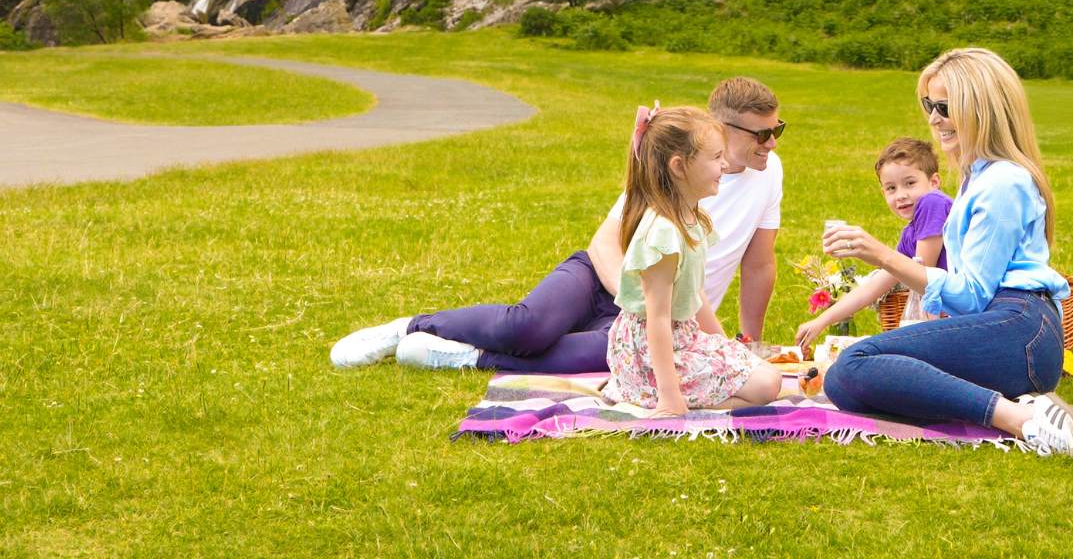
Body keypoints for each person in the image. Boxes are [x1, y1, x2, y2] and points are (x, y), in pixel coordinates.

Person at [329, 76, 784, 373]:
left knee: (607, 356)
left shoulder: (771, 175)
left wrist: (749, 343)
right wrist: (634, 298)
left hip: (659, 310)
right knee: (527, 328)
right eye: (761, 134)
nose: (771, 143)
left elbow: (759, 264)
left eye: (777, 130)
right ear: (720, 130)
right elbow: (606, 243)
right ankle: (408, 327)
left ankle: (469, 357)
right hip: (603, 279)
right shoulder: (675, 172)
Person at [821, 48, 1073, 461]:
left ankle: (1025, 419)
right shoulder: (977, 177)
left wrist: (882, 255)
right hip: (1013, 331)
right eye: (929, 105)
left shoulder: (1003, 181)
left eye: (946, 106)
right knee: (844, 379)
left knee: (856, 362)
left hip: (1020, 328)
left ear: (981, 107)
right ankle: (1018, 408)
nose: (934, 118)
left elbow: (972, 295)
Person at [603, 104, 782, 415]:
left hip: (683, 337)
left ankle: (646, 394)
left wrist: (725, 348)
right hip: (651, 352)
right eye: (716, 157)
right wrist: (670, 396)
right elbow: (656, 319)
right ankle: (655, 397)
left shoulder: (691, 217)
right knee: (766, 385)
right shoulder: (663, 233)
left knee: (767, 375)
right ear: (679, 166)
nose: (725, 165)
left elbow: (695, 294)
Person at [794, 137, 952, 357]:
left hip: (958, 321)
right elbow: (876, 285)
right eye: (891, 188)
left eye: (910, 183)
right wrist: (821, 321)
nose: (901, 195)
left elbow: (922, 277)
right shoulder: (910, 234)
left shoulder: (932, 203)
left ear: (934, 182)